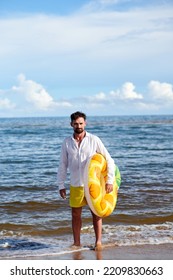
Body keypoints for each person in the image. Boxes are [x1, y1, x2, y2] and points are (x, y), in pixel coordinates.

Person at [57, 111, 115, 250]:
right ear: (71, 124)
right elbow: (63, 164)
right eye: (76, 123)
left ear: (85, 123)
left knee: (96, 212)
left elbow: (108, 159)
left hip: (93, 184)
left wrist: (110, 180)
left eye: (81, 123)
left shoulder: (94, 139)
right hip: (76, 184)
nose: (79, 126)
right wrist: (61, 184)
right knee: (75, 215)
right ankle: (77, 243)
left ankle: (98, 242)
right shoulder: (67, 142)